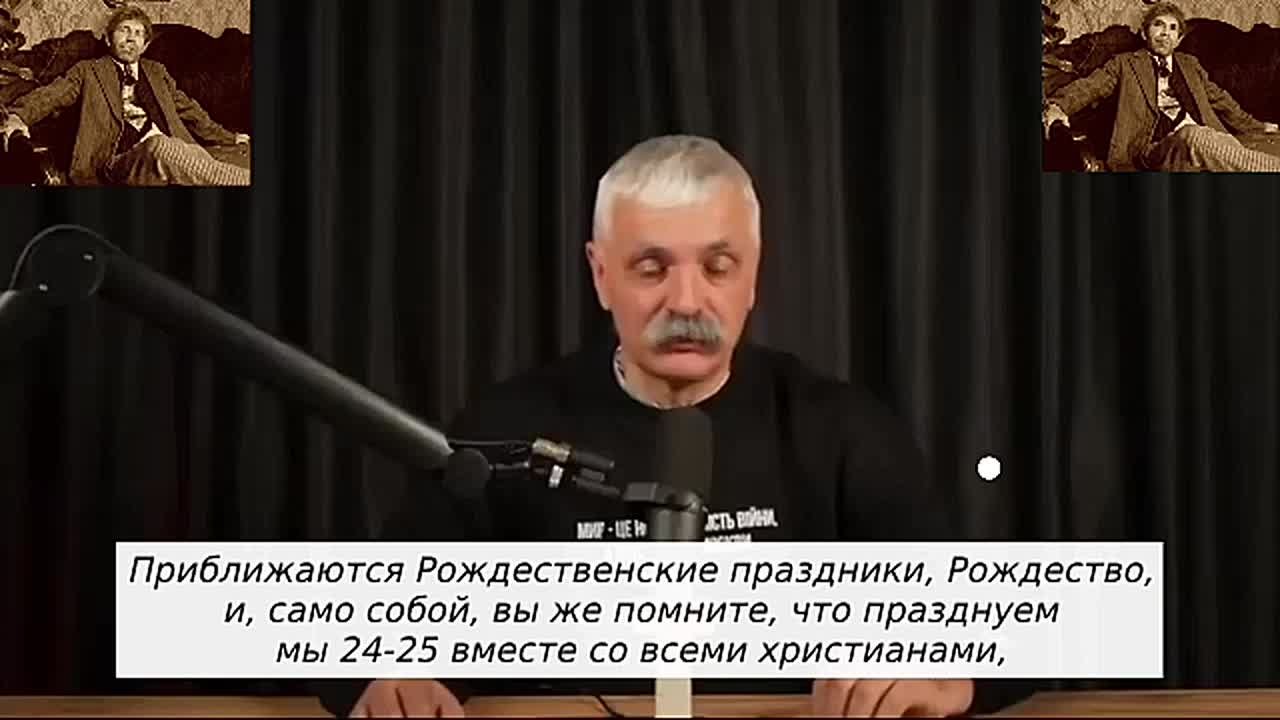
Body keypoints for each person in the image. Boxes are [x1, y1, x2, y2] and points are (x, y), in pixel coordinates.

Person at [316, 135, 1035, 717]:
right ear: (601, 275)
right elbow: (351, 638)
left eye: (718, 267)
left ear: (753, 276)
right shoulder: (509, 430)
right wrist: (385, 674)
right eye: (651, 268)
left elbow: (1011, 634)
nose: (687, 301)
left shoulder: (839, 429)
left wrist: (953, 677)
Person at [0, 5, 250, 186]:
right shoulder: (89, 70)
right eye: (124, 30)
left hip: (175, 151)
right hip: (118, 160)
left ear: (145, 45)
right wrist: (18, 116)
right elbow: (52, 95)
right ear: (109, 39)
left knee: (194, 154)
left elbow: (189, 110)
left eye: (139, 33)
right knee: (160, 146)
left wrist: (229, 137)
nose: (131, 38)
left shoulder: (157, 71)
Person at [1042, 1, 1280, 172]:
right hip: (1156, 148)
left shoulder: (1191, 64)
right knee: (1193, 136)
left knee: (1218, 144)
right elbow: (1091, 86)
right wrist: (1058, 106)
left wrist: (1258, 126)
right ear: (1145, 33)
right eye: (1158, 25)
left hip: (1210, 143)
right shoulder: (1125, 63)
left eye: (1173, 28)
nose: (1165, 33)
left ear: (1179, 39)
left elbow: (1221, 100)